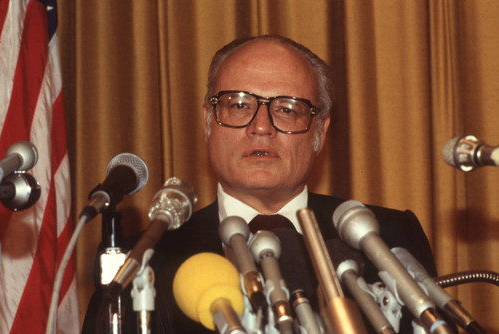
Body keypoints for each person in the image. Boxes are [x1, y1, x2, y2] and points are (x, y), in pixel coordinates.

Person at [83, 35, 437, 333]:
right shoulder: (144, 258)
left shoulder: (387, 237)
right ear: (209, 122)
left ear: (320, 132)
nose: (261, 127)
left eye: (287, 108)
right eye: (238, 105)